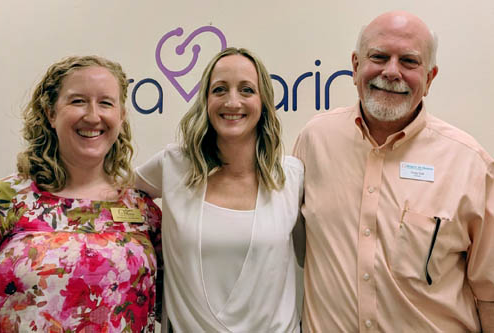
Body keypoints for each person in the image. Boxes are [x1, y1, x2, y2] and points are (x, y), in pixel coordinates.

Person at [293, 10, 494, 332]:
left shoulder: (469, 163)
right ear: (356, 66)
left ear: (429, 78)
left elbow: (490, 295)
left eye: (409, 62)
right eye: (379, 56)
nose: (391, 71)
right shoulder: (315, 141)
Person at [135, 47, 304, 332]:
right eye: (220, 90)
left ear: (263, 101)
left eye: (247, 90)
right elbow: (114, 197)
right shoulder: (174, 165)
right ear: (206, 100)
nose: (233, 101)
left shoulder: (291, 176)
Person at [0, 56, 162, 332]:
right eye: (78, 101)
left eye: (106, 103)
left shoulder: (143, 210)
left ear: (121, 116)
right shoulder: (5, 202)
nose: (93, 116)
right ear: (51, 113)